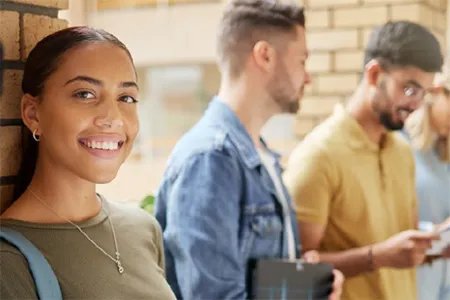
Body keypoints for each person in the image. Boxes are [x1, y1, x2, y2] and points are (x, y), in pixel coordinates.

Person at [154, 0, 343, 299]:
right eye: (302, 61)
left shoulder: (261, 156)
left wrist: (305, 286)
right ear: (265, 55)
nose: (308, 77)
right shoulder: (211, 160)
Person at [0, 27, 175, 300]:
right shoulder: (8, 261)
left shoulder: (143, 229)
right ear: (33, 114)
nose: (112, 117)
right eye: (85, 94)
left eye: (125, 97)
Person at [282, 21, 444, 300]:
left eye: (424, 93)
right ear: (374, 74)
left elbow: (401, 251)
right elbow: (294, 269)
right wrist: (377, 257)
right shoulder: (319, 155)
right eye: (409, 89)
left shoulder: (402, 152)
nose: (416, 104)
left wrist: (435, 246)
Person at [403, 72, 450, 300]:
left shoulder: (443, 157)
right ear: (438, 92)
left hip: (442, 282)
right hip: (411, 281)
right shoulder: (399, 146)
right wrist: (435, 231)